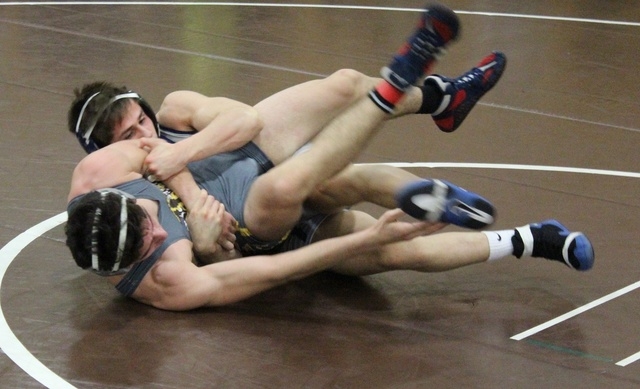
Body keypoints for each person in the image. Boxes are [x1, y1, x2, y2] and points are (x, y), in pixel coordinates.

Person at [65, 4, 594, 311]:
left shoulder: (117, 161)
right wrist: (212, 248)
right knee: (378, 240)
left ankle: (437, 100)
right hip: (262, 224)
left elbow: (231, 129)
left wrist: (187, 177)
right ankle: (530, 239)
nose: (142, 133)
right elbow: (258, 276)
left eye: (140, 119)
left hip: (258, 162)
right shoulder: (163, 280)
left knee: (343, 100)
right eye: (126, 133)